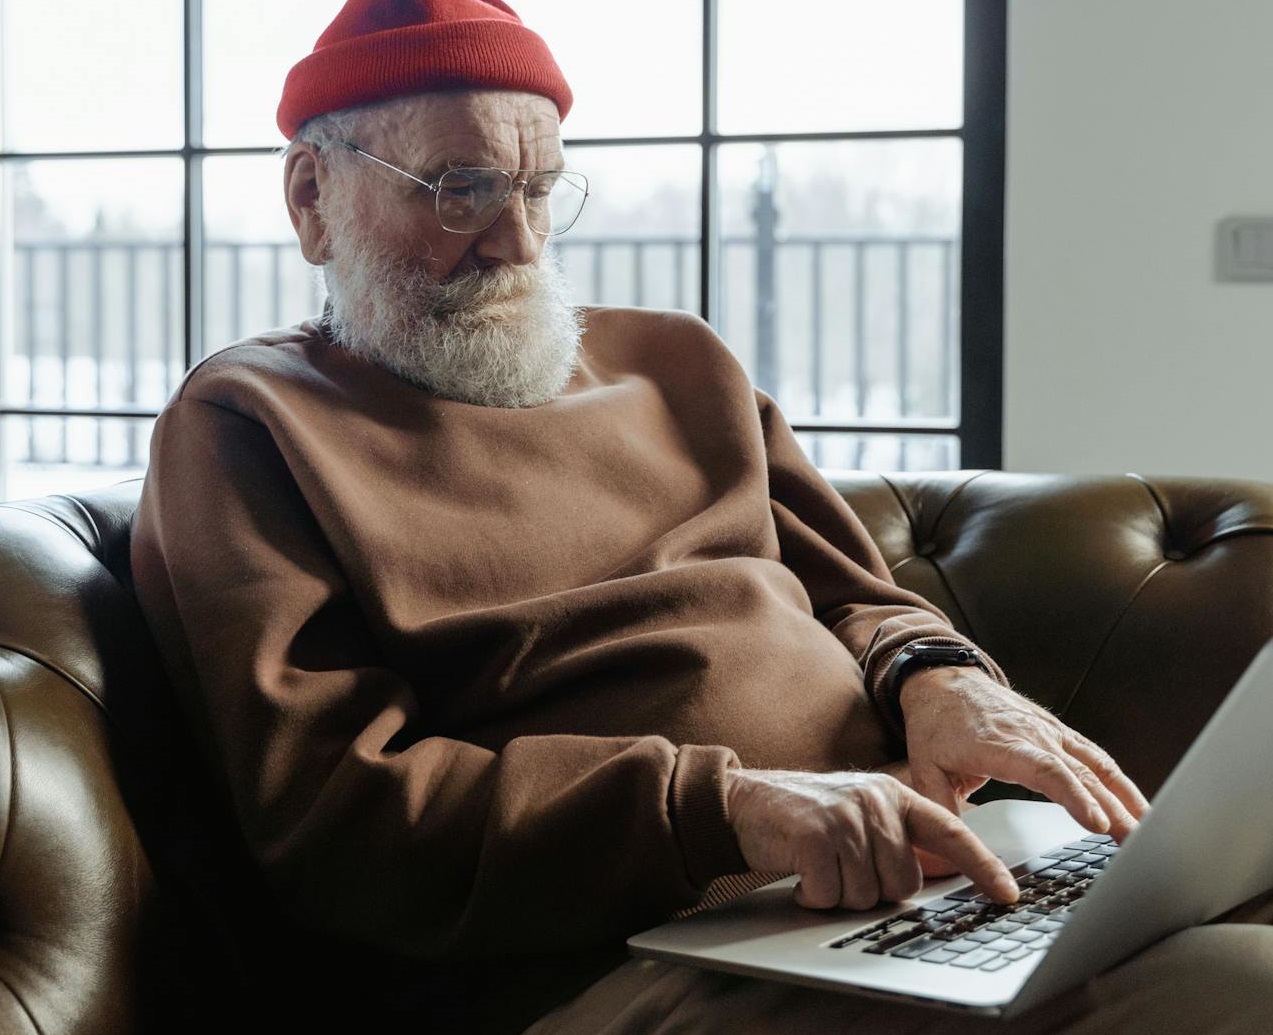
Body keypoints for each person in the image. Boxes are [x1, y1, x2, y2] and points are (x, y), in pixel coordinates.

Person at [127, 2, 1273, 1033]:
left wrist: (938, 678)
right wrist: (722, 808)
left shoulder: (679, 363)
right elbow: (339, 818)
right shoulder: (249, 426)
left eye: (536, 189)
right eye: (459, 188)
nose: (519, 241)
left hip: (898, 904)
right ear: (312, 196)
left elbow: (859, 598)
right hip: (602, 967)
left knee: (1241, 958)